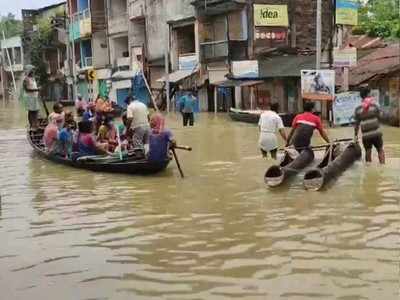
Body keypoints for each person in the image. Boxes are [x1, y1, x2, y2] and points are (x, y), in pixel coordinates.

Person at [354, 87, 385, 164]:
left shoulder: (358, 108)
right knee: (380, 150)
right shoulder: (375, 104)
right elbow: (380, 117)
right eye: (370, 93)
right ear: (368, 94)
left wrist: (355, 135)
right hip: (376, 132)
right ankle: (383, 166)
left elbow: (356, 124)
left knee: (368, 150)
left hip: (366, 134)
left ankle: (368, 166)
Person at [23, 65, 41, 130]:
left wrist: (37, 89)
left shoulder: (33, 78)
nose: (33, 71)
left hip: (34, 97)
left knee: (35, 111)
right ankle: (32, 125)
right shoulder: (26, 79)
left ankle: (35, 124)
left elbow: (34, 87)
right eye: (32, 70)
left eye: (33, 70)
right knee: (31, 111)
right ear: (29, 71)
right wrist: (36, 90)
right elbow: (26, 89)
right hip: (29, 97)